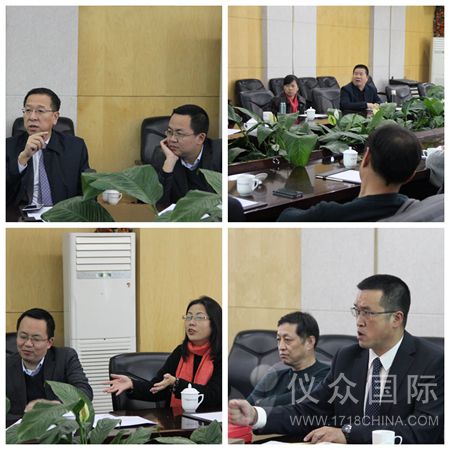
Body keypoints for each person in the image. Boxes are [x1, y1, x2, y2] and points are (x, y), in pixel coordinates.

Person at [229, 275, 443, 444]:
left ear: (396, 318)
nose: (359, 321)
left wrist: (349, 433)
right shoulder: (347, 358)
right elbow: (311, 410)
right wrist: (256, 415)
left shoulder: (433, 362)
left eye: (368, 313)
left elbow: (422, 429)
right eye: (357, 311)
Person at [278, 124, 422, 221]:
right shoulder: (418, 211)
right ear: (411, 176)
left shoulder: (327, 215)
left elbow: (284, 218)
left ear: (366, 158)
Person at [104, 296, 222, 408]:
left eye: (199, 317)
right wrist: (132, 384)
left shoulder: (222, 355)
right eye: (188, 317)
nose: (191, 322)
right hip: (177, 419)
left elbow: (215, 395)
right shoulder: (181, 352)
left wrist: (177, 384)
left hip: (212, 421)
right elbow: (157, 388)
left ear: (215, 323)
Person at [6, 87, 90, 221]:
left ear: (55, 117)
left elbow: (86, 193)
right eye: (28, 110)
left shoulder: (75, 147)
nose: (32, 117)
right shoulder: (7, 147)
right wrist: (22, 160)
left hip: (62, 218)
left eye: (40, 111)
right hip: (21, 219)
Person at [6, 308, 93, 425]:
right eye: (23, 336)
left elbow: (84, 392)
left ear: (49, 342)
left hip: (58, 429)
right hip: (18, 432)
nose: (27, 344)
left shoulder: (65, 358)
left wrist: (54, 406)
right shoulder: (6, 365)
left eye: (36, 339)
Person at [246, 312, 329, 407]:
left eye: (287, 340)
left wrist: (260, 404)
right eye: (278, 340)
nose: (281, 347)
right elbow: (245, 408)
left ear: (309, 342)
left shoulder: (327, 377)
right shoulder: (273, 377)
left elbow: (299, 400)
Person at [149, 105, 222, 208]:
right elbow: (157, 204)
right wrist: (169, 163)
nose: (172, 139)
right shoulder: (162, 156)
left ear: (200, 138)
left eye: (179, 134)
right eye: (169, 132)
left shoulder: (219, 153)